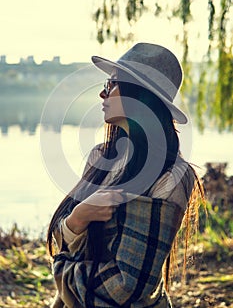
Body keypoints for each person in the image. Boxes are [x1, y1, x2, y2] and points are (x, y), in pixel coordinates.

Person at [47, 43, 205, 307]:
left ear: (140, 96)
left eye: (111, 85)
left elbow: (125, 287)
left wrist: (63, 272)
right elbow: (59, 237)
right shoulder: (101, 157)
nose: (102, 93)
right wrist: (79, 216)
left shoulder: (172, 177)